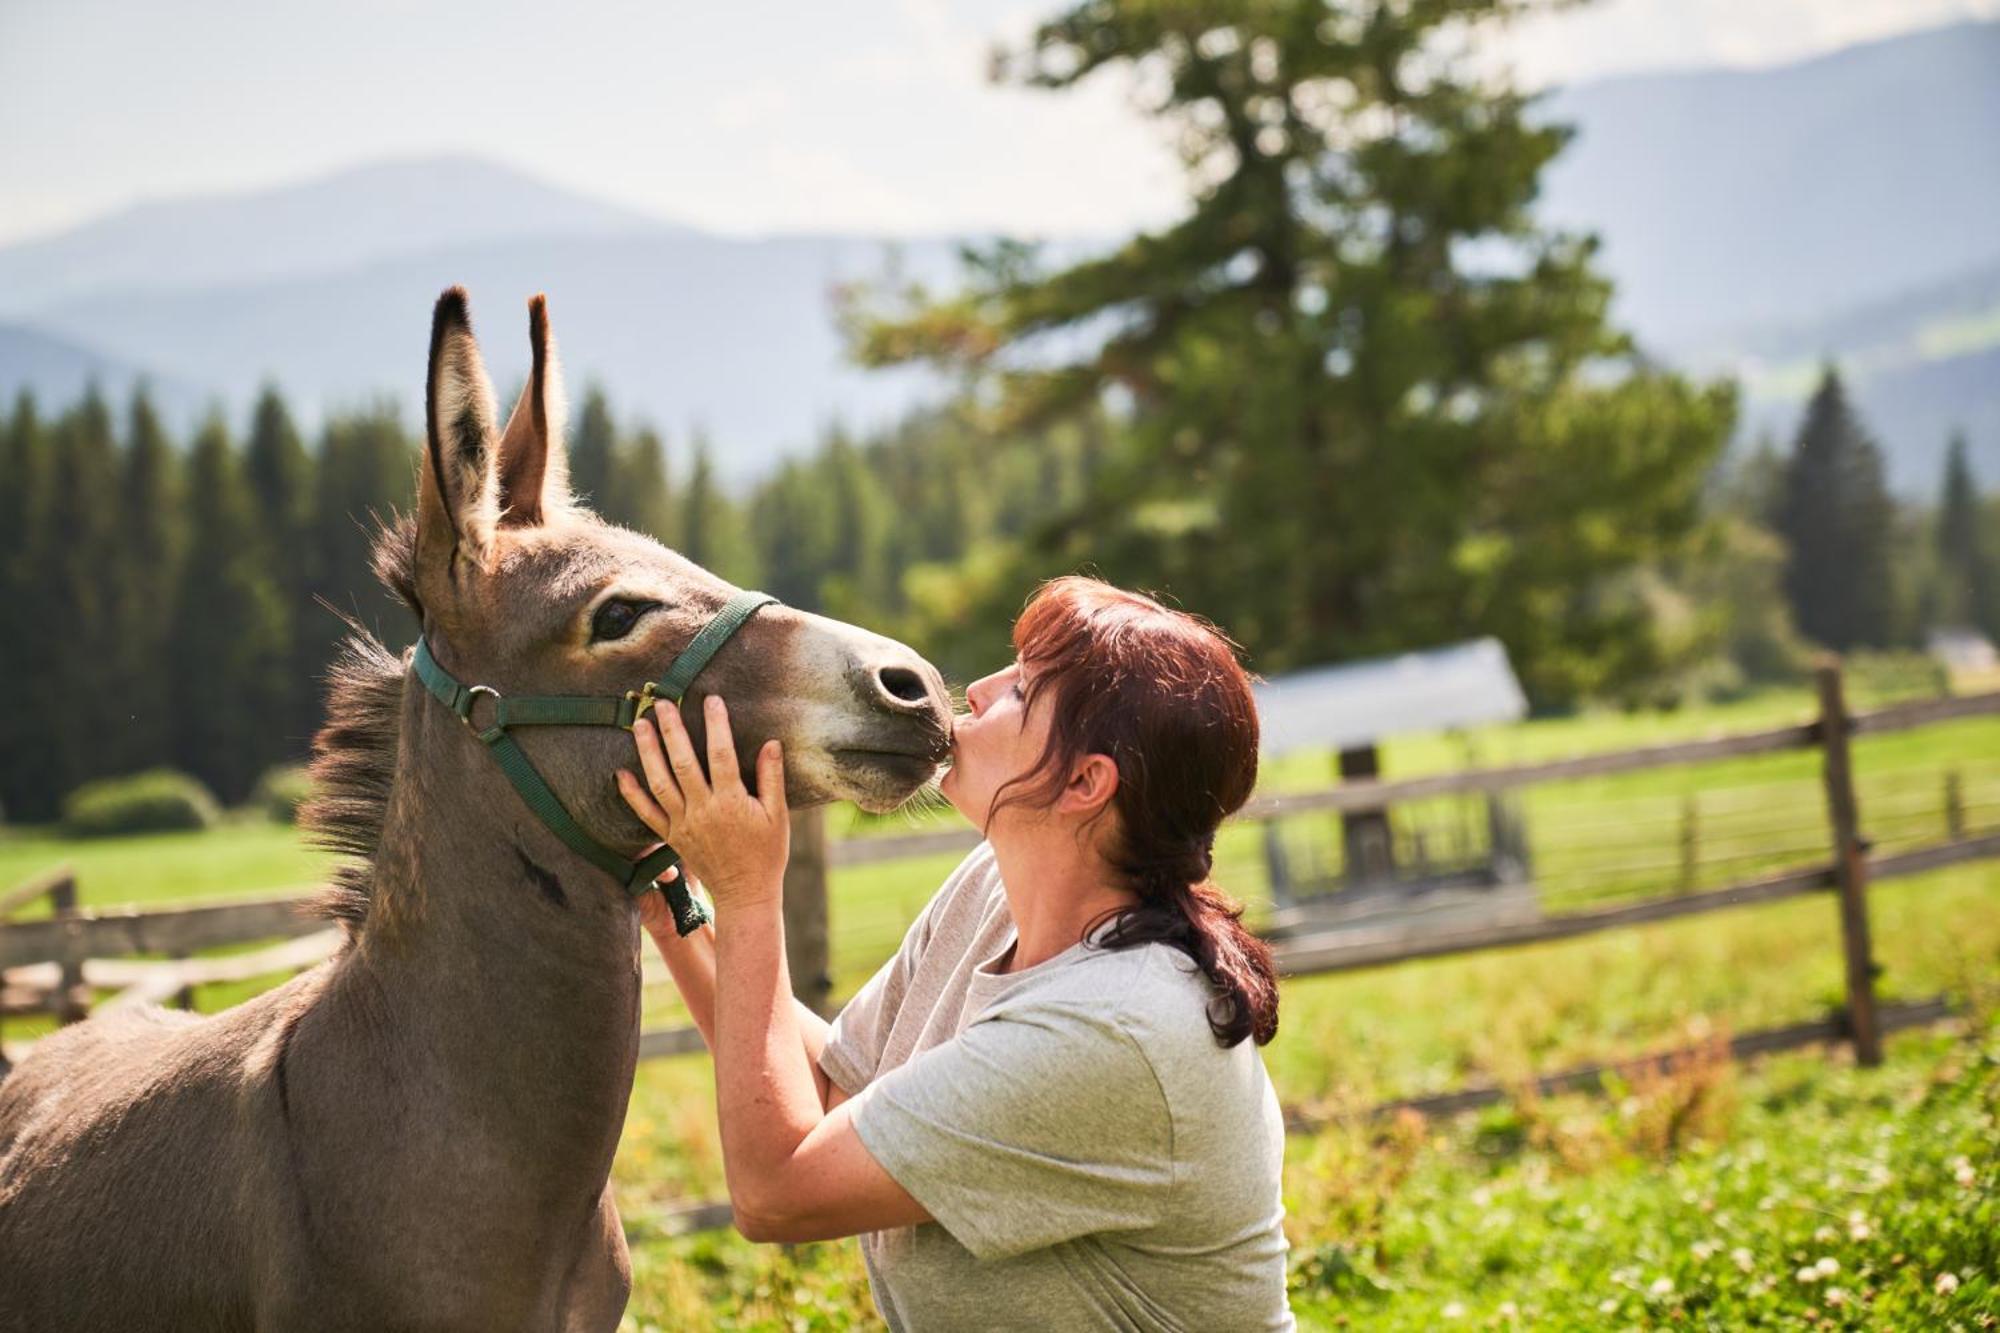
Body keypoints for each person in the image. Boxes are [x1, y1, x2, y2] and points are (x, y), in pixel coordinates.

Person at [617, 576, 1293, 1331]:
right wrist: (670, 894)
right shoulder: (992, 889)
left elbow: (777, 1189)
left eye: (1023, 691)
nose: (976, 690)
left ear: (1084, 781)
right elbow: (837, 1095)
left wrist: (747, 892)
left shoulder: (1114, 1029)